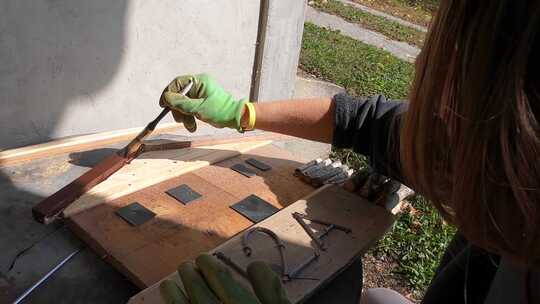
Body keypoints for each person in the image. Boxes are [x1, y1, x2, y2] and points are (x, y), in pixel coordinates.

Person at [158, 1, 540, 303]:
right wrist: (241, 112)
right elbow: (364, 121)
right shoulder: (501, 158)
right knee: (377, 298)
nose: (439, 108)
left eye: (463, 88)